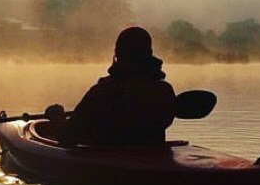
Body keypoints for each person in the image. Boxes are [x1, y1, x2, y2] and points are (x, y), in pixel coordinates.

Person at [45, 26, 176, 145]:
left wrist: (57, 118)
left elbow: (68, 136)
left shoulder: (102, 92)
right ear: (150, 53)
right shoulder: (164, 91)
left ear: (117, 53)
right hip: (151, 159)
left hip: (109, 164)